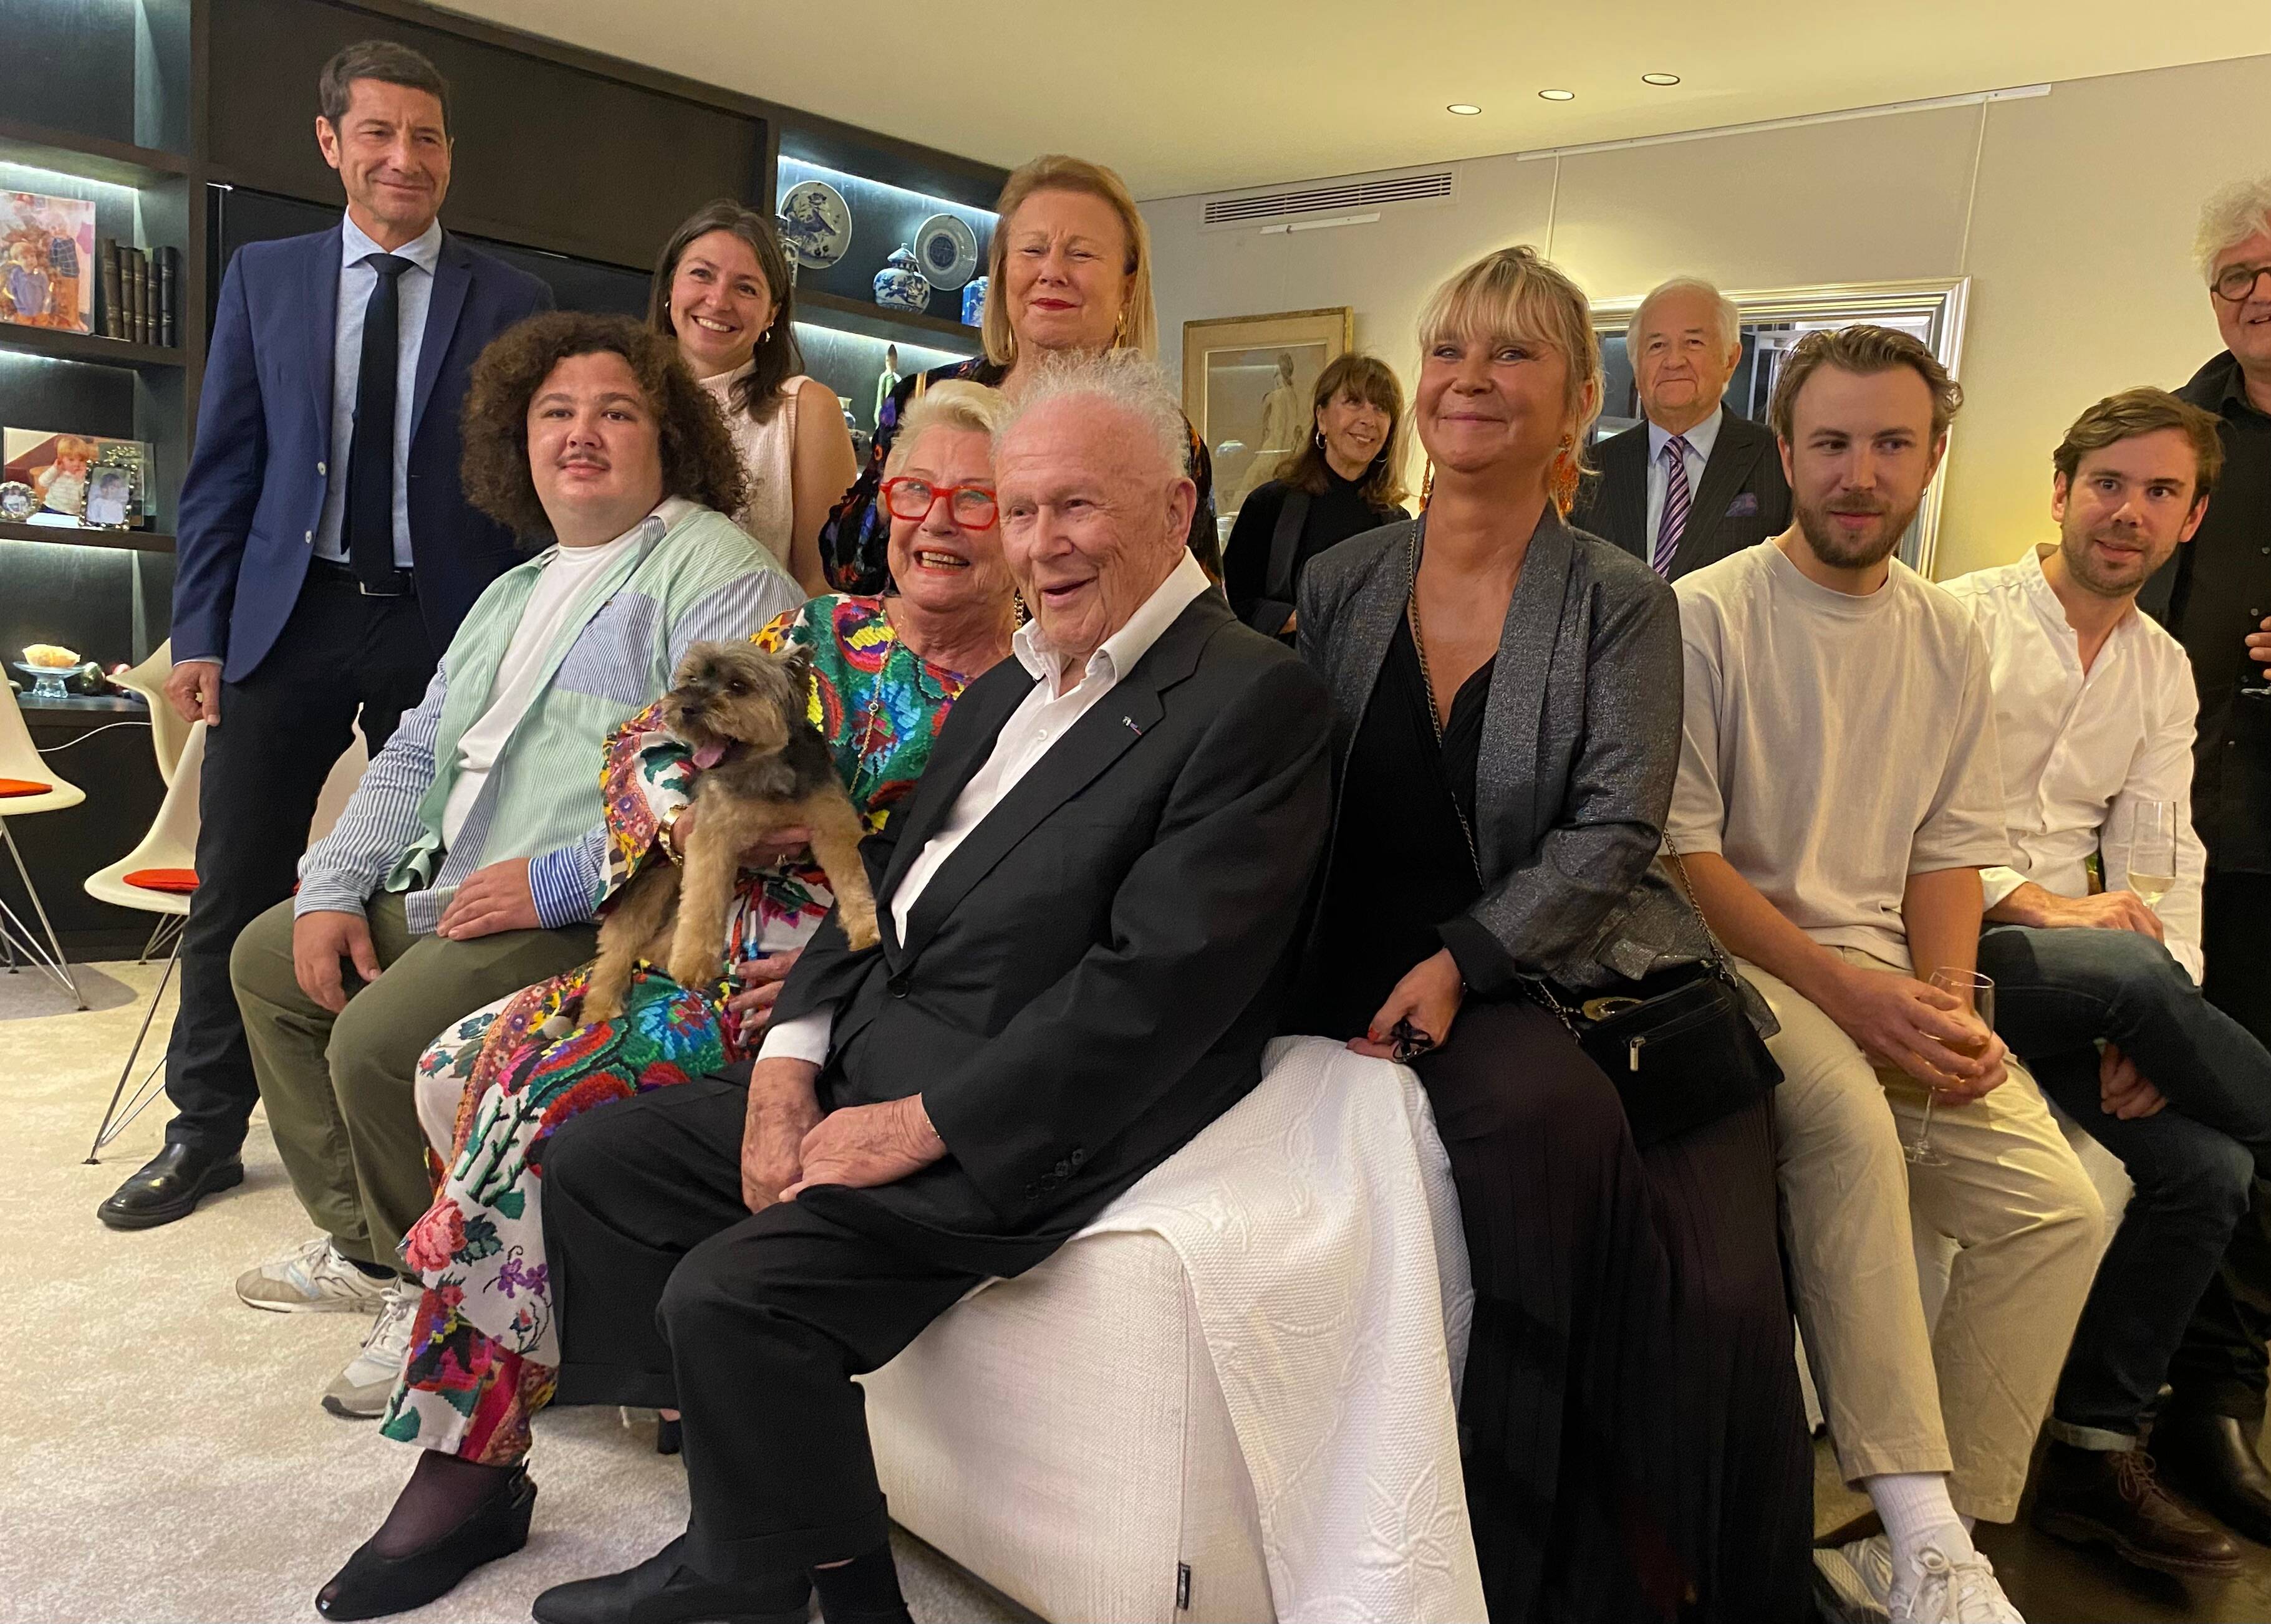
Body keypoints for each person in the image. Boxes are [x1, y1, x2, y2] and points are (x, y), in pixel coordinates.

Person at [466, 352, 1332, 1624]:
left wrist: (921, 1126)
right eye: (1023, 511)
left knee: (732, 1292)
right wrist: (784, 1070)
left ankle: (812, 1588)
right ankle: (762, 1552)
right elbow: (878, 888)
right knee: (600, 1166)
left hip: (1026, 1115)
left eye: (1075, 506)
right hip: (883, 1050)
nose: (1042, 544)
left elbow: (1156, 993)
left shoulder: (1251, 695)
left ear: (1177, 509)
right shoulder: (1018, 685)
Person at [312, 383, 1018, 1623]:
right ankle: (555, 1414)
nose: (938, 523)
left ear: (1018, 521)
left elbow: (1008, 909)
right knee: (466, 1059)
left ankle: (468, 1460)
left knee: (529, 1094)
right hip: (690, 956)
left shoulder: (1031, 699)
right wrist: (721, 818)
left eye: (977, 498)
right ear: (884, 504)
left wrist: (837, 958)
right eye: (916, 491)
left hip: (829, 1011)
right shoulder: (826, 634)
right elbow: (648, 743)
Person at [1296, 246, 1808, 1623]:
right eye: (1450, 348)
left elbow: (1611, 833)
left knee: (1720, 1286)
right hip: (1370, 961)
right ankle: (1520, 1562)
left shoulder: (1619, 601)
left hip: (1573, 958)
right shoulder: (1343, 581)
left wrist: (1468, 958)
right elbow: (1291, 798)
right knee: (1545, 1138)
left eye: (1513, 354)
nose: (1470, 379)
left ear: (1582, 399)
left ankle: (1667, 1568)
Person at [224, 312, 798, 1425]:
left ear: (667, 436)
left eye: (615, 411)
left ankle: (438, 1292)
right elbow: (410, 756)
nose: (581, 434)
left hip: (601, 907)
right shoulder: (510, 590)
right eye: (556, 413)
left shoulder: (718, 573)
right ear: (517, 440)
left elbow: (739, 785)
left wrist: (557, 882)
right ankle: (375, 1251)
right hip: (457, 885)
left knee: (380, 1042)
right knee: (265, 961)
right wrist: (337, 883)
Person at [1669, 325, 2103, 1624]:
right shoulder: (1710, 616)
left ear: (1933, 456)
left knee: (2062, 1206)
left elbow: (1946, 853)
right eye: (1834, 444)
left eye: (1891, 445)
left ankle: (1926, 1546)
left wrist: (1951, 1011)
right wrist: (1857, 1002)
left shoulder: (1949, 638)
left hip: (1887, 977)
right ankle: (1920, 1521)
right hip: (1743, 968)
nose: (1862, 473)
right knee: (1854, 1125)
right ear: (1789, 454)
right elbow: (1687, 857)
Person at [99, 41, 557, 1233]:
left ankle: (414, 1121)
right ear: (330, 143)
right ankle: (203, 1131)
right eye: (381, 134)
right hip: (287, 615)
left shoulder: (512, 302)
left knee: (436, 879)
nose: (406, 158)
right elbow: (225, 469)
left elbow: (528, 490)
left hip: (444, 625)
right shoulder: (267, 277)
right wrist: (198, 626)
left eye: (429, 137)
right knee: (236, 881)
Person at [1945, 387, 2271, 1578]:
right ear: (2060, 492)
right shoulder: (1960, 618)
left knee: (2211, 1168)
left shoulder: (2162, 669)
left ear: (2190, 521)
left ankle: (2090, 1450)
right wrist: (2040, 904)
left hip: (2089, 981)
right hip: (1950, 934)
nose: (2128, 512)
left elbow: (2161, 861)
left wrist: (2158, 1023)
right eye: (2108, 484)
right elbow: (1909, 819)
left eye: (2160, 493)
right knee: (2122, 958)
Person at [2134, 174, 2271, 1539]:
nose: (2256, 295)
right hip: (2185, 842)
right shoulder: (2183, 436)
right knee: (2212, 1119)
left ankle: (2228, 1389)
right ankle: (2197, 1396)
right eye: (2236, 274)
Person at [821, 153, 1221, 590]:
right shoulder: (921, 396)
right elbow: (845, 570)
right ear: (1003, 270)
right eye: (1032, 250)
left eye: (1081, 254)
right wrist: (895, 493)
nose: (1052, 272)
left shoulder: (1160, 437)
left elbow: (1195, 610)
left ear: (1127, 287)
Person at [650, 199, 854, 597]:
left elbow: (820, 586)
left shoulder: (806, 409)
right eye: (701, 275)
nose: (719, 300)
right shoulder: (622, 400)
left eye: (745, 288)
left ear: (772, 313)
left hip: (747, 650)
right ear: (669, 288)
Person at [1572, 277, 1789, 579]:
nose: (1674, 361)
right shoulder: (1590, 470)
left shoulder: (1780, 462)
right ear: (1636, 365)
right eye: (1657, 345)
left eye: (1694, 343)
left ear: (1731, 358)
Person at [1224, 351, 1409, 637]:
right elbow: (1234, 605)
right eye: (1354, 402)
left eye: (1381, 408)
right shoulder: (1268, 505)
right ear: (1321, 417)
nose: (1369, 419)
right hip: (1285, 673)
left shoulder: (1398, 524)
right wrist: (1308, 621)